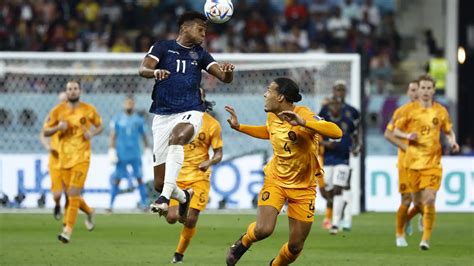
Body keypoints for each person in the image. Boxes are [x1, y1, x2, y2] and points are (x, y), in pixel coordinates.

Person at [225, 77, 342, 265]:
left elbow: (337, 132)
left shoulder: (304, 114)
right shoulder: (272, 116)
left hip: (304, 187)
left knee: (296, 246)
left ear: (280, 97)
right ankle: (243, 242)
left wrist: (303, 122)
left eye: (269, 91)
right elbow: (269, 131)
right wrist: (240, 128)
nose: (265, 94)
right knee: (263, 230)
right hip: (276, 180)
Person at [138, 11, 234, 221]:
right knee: (159, 182)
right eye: (200, 29)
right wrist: (155, 72)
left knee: (178, 137)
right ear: (184, 28)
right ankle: (183, 197)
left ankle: (164, 199)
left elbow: (224, 78)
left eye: (205, 30)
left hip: (191, 110)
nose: (204, 33)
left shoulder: (200, 54)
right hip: (162, 115)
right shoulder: (162, 47)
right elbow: (143, 68)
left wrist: (228, 72)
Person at [393, 75, 459, 250]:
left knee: (430, 199)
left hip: (433, 164)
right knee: (417, 203)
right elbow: (396, 131)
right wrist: (408, 136)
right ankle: (403, 223)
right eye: (423, 88)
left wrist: (452, 141)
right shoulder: (408, 111)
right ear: (418, 89)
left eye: (429, 88)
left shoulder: (441, 111)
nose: (425, 91)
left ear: (433, 90)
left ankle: (425, 240)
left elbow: (449, 131)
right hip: (412, 163)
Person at [166, 88, 223, 264]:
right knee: (171, 218)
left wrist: (209, 162)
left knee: (190, 219)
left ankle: (179, 254)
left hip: (199, 177)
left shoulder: (212, 124)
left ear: (203, 98)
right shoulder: (177, 120)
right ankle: (185, 198)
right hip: (178, 175)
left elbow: (219, 153)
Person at [43, 80, 103, 243]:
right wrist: (57, 128)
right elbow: (45, 131)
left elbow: (100, 125)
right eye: (69, 89)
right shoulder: (58, 111)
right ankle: (89, 212)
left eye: (75, 88)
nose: (73, 91)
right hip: (63, 159)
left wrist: (92, 133)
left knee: (73, 194)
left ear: (80, 91)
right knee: (70, 195)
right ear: (66, 91)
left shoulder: (88, 109)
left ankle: (67, 230)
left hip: (82, 157)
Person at [319, 80, 361, 231]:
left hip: (344, 157)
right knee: (328, 191)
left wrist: (357, 146)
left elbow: (356, 131)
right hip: (328, 158)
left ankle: (336, 223)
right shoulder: (323, 112)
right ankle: (340, 213)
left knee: (339, 188)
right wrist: (325, 145)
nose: (336, 106)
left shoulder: (351, 112)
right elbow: (315, 134)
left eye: (342, 90)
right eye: (337, 90)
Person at [384, 80, 419, 247]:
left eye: (418, 90)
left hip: (426, 162)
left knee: (424, 200)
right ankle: (400, 234)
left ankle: (408, 218)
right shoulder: (402, 112)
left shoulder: (433, 112)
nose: (415, 93)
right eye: (412, 89)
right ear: (408, 92)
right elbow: (388, 134)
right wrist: (406, 146)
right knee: (407, 200)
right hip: (406, 162)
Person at [107, 96, 150, 213]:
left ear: (134, 104)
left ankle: (145, 204)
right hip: (121, 154)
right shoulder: (117, 118)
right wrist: (111, 150)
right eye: (127, 103)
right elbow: (113, 135)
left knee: (140, 178)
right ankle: (110, 205)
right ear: (123, 104)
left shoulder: (138, 120)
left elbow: (144, 135)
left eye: (131, 103)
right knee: (117, 179)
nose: (129, 105)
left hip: (135, 154)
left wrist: (147, 149)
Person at [39, 92, 67, 220]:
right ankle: (57, 205)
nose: (63, 103)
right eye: (61, 101)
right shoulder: (53, 115)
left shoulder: (76, 115)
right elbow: (43, 134)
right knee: (57, 194)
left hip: (71, 158)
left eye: (65, 100)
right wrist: (48, 146)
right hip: (56, 159)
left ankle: (68, 217)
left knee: (70, 191)